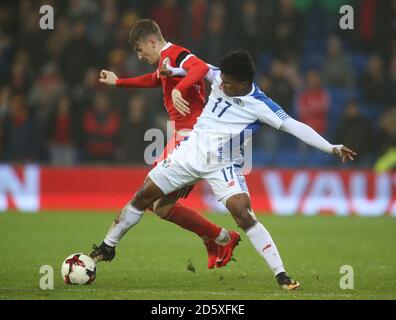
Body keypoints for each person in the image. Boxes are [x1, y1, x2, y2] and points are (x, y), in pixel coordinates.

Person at [92, 49, 356, 290]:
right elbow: (197, 69)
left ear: (243, 84)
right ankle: (108, 247)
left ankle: (281, 274)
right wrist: (171, 72)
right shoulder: (219, 76)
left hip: (223, 165)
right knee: (144, 197)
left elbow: (295, 126)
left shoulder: (261, 105)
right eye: (222, 81)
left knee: (244, 215)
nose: (221, 85)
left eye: (228, 84)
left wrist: (330, 147)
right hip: (189, 154)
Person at [91, 19, 239, 269]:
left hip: (192, 137)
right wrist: (118, 82)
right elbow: (154, 79)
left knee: (147, 197)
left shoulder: (174, 53)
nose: (139, 55)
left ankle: (108, 247)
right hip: (182, 136)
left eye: (139, 49)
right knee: (160, 207)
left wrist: (178, 89)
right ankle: (220, 237)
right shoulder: (165, 62)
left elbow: (200, 67)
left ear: (151, 41)